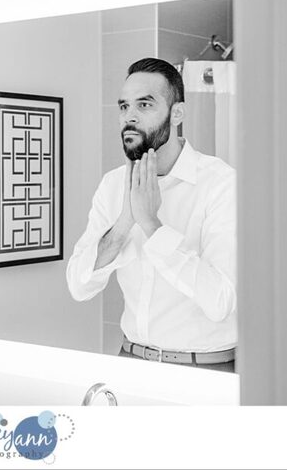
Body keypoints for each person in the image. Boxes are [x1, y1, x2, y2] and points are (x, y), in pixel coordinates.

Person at [66, 57, 236, 372]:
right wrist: (123, 224)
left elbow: (221, 302)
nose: (129, 116)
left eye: (144, 105)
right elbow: (79, 285)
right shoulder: (113, 185)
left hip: (203, 369)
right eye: (124, 106)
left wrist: (151, 225)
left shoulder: (221, 184)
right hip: (130, 361)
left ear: (177, 113)